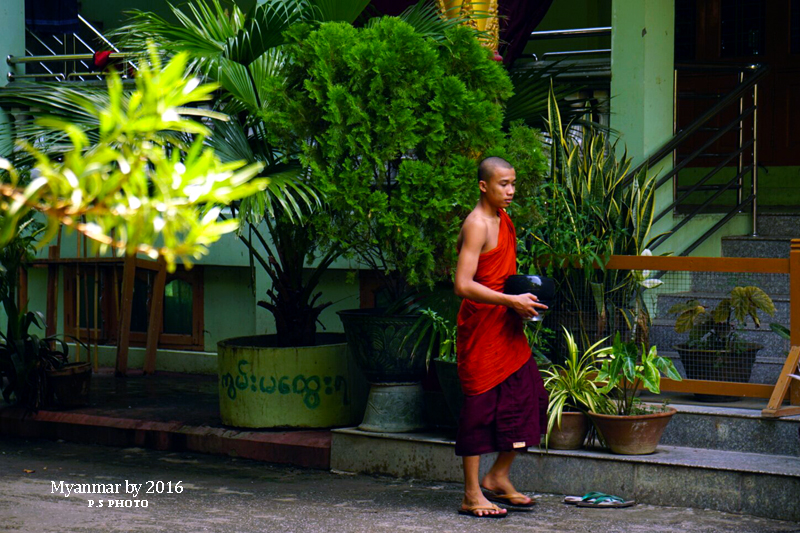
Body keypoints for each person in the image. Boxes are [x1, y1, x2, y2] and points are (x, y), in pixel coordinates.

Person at [453, 156, 549, 518]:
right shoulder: (478, 223)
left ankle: (499, 475)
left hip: (507, 327)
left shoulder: (503, 218)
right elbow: (462, 285)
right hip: (481, 330)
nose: (510, 192)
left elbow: (499, 272)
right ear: (484, 186)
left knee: (533, 397)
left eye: (512, 184)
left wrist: (524, 297)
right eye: (502, 185)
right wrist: (511, 300)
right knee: (479, 409)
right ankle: (471, 493)